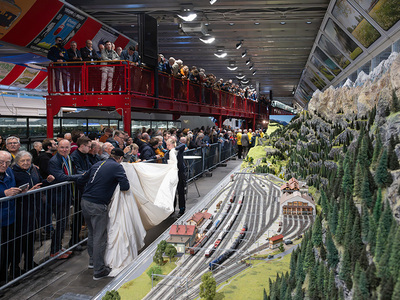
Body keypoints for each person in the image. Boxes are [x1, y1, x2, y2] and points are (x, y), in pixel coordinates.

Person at [79, 147, 130, 280]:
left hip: (85, 201)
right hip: (98, 204)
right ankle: (99, 269)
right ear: (120, 158)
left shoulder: (97, 164)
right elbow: (125, 186)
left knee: (91, 233)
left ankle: (92, 262)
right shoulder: (117, 167)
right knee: (99, 236)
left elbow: (82, 178)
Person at [12, 151, 54, 274]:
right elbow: (14, 191)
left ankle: (29, 262)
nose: (26, 163)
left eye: (28, 160)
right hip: (20, 210)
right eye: (22, 161)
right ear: (17, 162)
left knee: (31, 237)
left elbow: (39, 182)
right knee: (19, 240)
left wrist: (48, 181)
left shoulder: (33, 170)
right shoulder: (13, 173)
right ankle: (15, 266)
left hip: (33, 208)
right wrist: (28, 192)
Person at [48, 139, 82, 259]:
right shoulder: (54, 161)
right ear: (58, 147)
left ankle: (58, 247)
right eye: (62, 147)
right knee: (60, 224)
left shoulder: (69, 158)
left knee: (63, 223)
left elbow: (74, 171)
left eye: (66, 147)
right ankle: (54, 251)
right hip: (58, 197)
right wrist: (79, 177)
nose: (64, 150)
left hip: (67, 195)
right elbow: (61, 177)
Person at [0, 151, 22, 283]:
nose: (4, 165)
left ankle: (4, 277)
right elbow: (5, 191)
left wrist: (19, 191)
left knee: (8, 249)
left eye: (7, 162)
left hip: (9, 217)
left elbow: (12, 187)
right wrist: (4, 193)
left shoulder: (9, 172)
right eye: (1, 162)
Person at [165, 138, 186, 216]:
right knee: (172, 192)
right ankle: (172, 208)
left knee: (180, 191)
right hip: (172, 174)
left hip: (180, 173)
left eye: (169, 145)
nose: (167, 147)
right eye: (167, 145)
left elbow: (183, 145)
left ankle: (182, 209)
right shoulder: (167, 153)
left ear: (173, 144)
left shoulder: (178, 151)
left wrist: (174, 149)